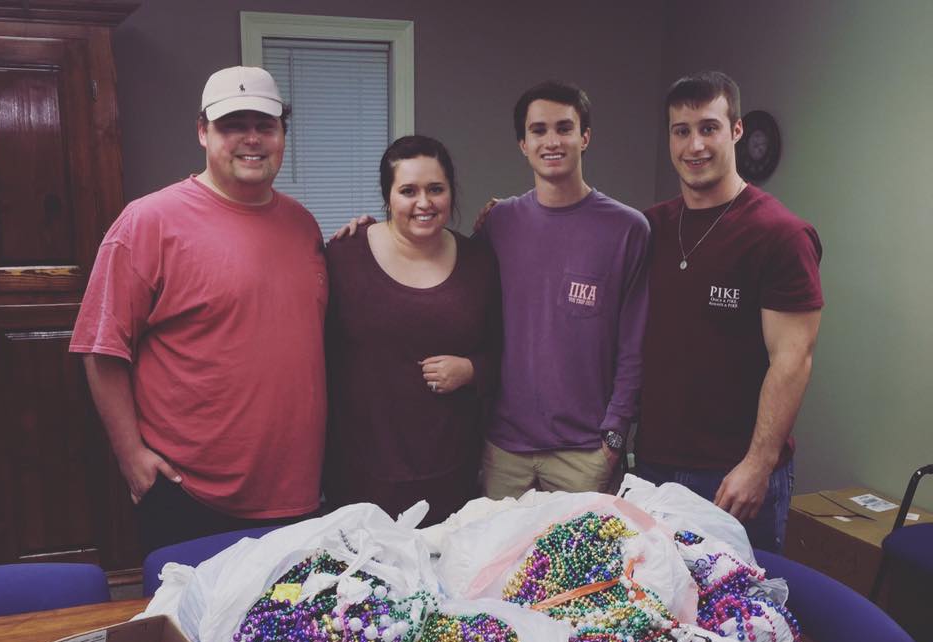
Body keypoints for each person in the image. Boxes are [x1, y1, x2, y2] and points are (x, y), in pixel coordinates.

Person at [70, 66, 328, 554]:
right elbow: (101, 349)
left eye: (265, 126)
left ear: (282, 136)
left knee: (285, 629)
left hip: (296, 495)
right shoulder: (149, 222)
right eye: (233, 125)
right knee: (191, 631)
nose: (251, 139)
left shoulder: (302, 224)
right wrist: (132, 459)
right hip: (191, 495)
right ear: (202, 131)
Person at [634, 71, 823, 553]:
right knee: (656, 613)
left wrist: (758, 465)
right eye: (681, 131)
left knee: (741, 619)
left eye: (709, 127)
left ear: (735, 130)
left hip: (731, 475)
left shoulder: (780, 235)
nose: (694, 145)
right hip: (652, 468)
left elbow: (793, 358)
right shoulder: (650, 227)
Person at [477, 81, 650, 499]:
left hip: (585, 453)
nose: (551, 141)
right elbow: (438, 261)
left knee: (583, 565)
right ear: (522, 143)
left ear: (584, 137)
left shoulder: (627, 229)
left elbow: (635, 344)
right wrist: (372, 230)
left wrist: (614, 438)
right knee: (499, 563)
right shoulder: (499, 224)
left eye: (564, 128)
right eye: (538, 130)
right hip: (505, 449)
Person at [324, 135, 500, 526]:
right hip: (360, 474)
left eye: (436, 189)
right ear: (388, 197)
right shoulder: (343, 257)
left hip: (449, 472)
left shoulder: (479, 263)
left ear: (452, 193)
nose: (424, 202)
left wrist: (472, 369)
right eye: (408, 190)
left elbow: (504, 351)